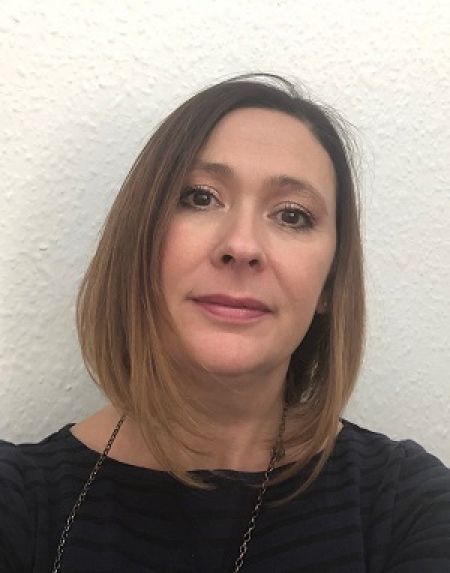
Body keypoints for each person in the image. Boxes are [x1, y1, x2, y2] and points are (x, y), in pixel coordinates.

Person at [1, 73, 449, 573]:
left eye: (293, 215)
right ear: (139, 243)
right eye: (200, 197)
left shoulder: (407, 506)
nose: (242, 245)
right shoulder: (20, 503)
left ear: (329, 283)